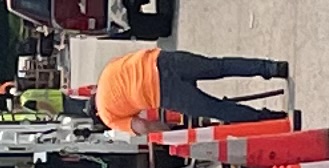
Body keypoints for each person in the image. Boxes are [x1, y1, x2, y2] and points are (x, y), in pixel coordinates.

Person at [91, 46, 295, 134]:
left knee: (217, 109)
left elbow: (142, 126)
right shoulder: (106, 72)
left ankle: (271, 119)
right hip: (161, 60)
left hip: (163, 93)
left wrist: (167, 132)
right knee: (219, 66)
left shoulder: (108, 117)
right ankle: (271, 67)